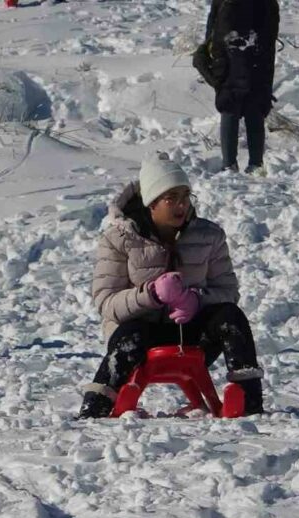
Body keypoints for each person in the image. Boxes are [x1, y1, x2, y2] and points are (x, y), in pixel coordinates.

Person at [78, 154, 264, 418]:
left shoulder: (209, 236)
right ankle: (96, 407)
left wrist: (196, 300)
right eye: (171, 198)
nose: (181, 205)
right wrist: (151, 295)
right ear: (151, 203)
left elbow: (228, 291)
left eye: (185, 196)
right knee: (130, 335)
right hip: (140, 336)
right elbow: (106, 303)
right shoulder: (119, 240)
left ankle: (248, 399)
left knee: (230, 317)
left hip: (191, 331)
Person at [205, 0, 280, 175]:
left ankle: (231, 164)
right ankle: (253, 164)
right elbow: (271, 30)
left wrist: (212, 53)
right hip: (255, 55)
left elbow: (213, 26)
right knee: (250, 106)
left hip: (230, 55)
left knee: (232, 104)